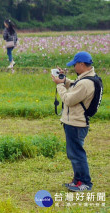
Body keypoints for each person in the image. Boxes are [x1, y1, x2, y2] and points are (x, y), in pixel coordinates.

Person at [52, 52, 97, 192]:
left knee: (77, 154)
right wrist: (64, 80)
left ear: (82, 65)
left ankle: (85, 183)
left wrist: (60, 85)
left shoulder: (85, 83)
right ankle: (77, 181)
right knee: (74, 153)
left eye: (75, 65)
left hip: (76, 123)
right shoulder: (87, 79)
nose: (74, 67)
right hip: (75, 122)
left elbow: (69, 100)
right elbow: (75, 86)